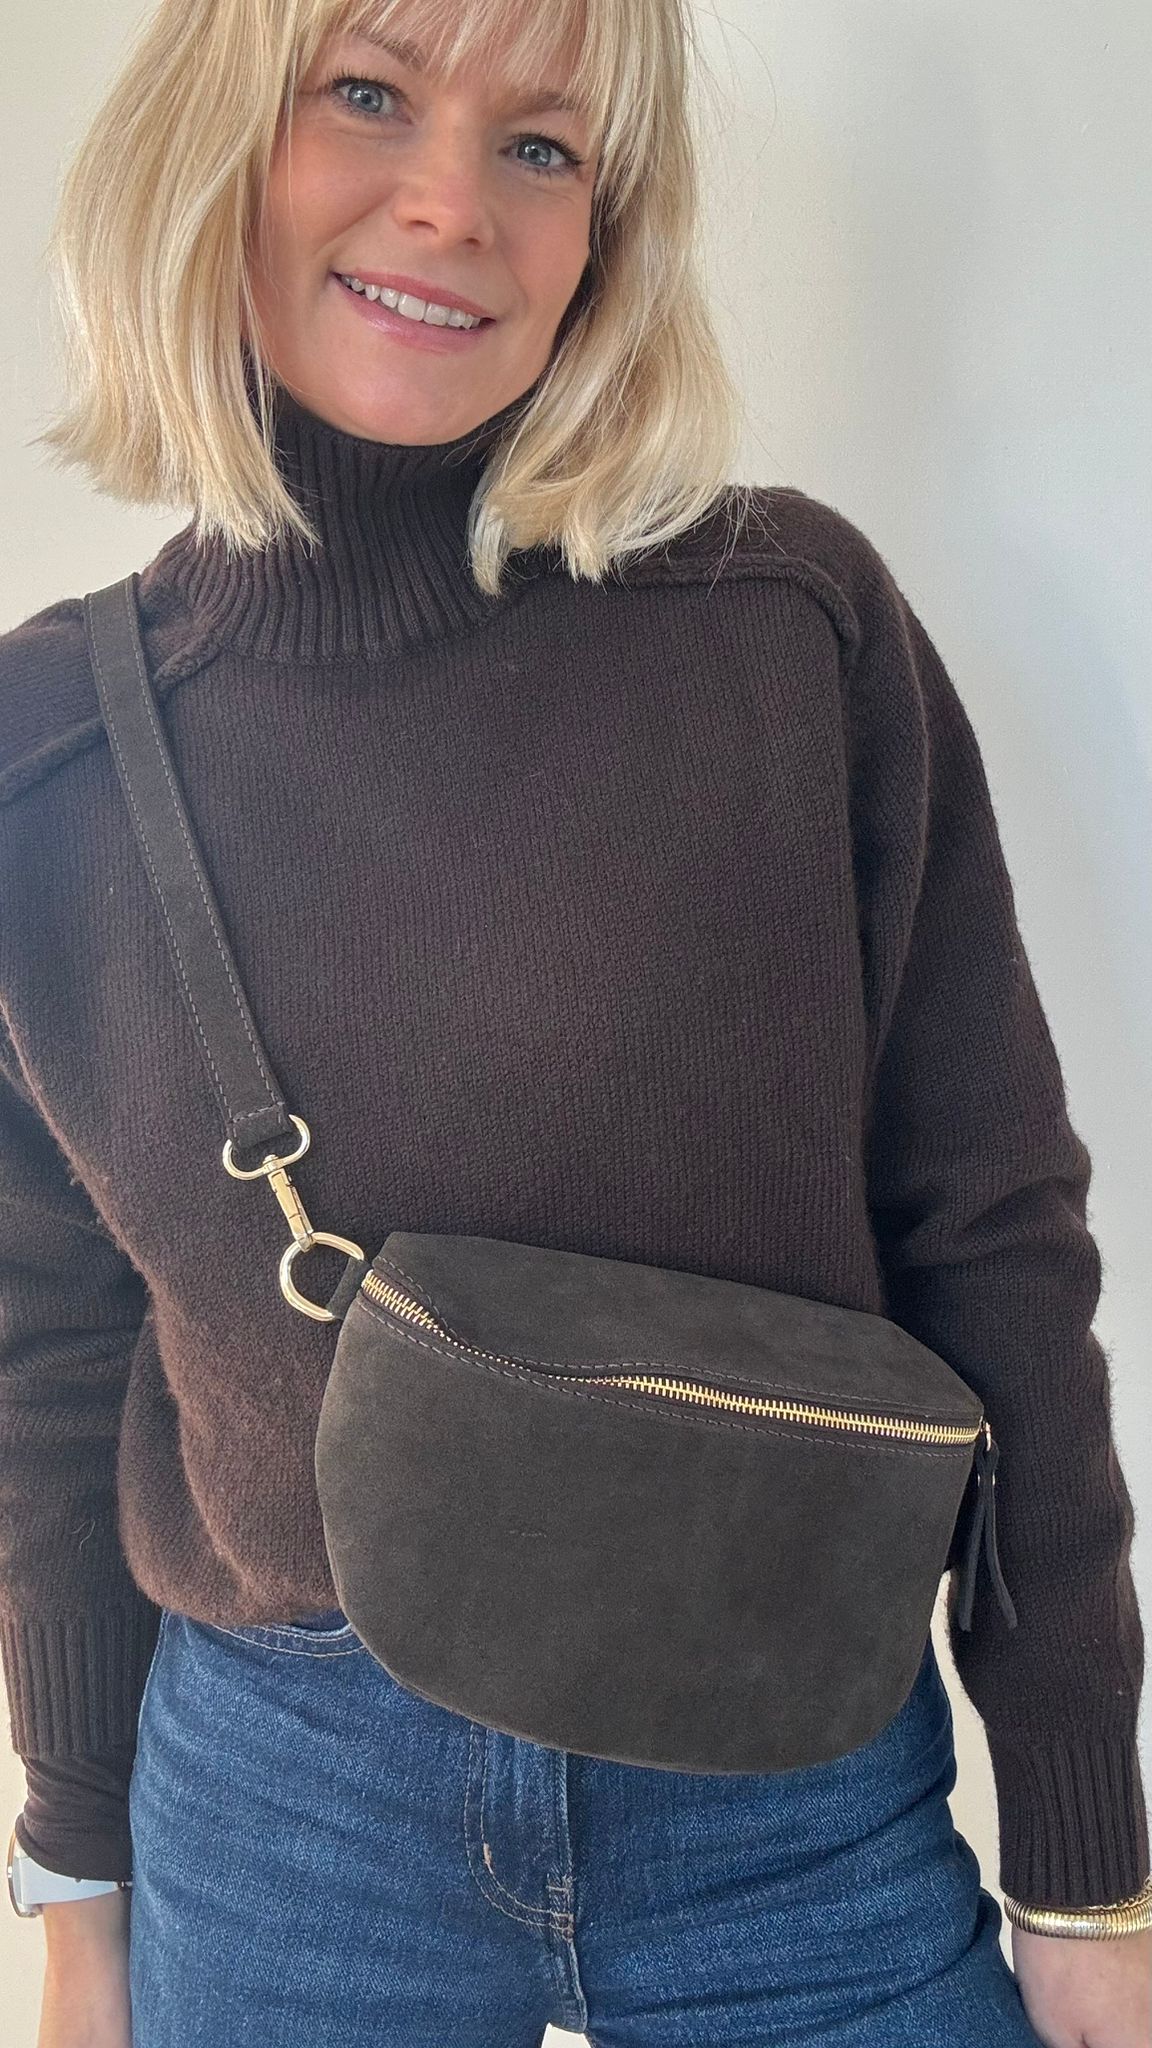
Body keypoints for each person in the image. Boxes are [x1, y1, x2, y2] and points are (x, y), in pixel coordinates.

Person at [1, 0, 1149, 2042]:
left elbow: (989, 1227)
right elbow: (49, 1350)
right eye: (366, 91)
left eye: (547, 148)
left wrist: (1085, 1844)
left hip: (787, 1786)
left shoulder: (787, 628)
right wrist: (70, 1867)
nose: (453, 201)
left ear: (608, 236)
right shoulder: (45, 754)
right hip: (285, 1812)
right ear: (214, 140)